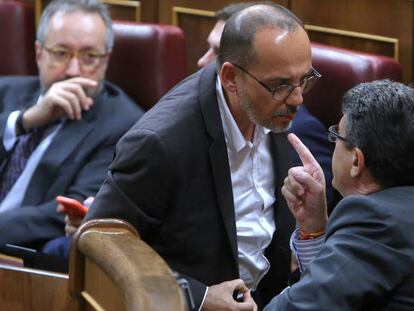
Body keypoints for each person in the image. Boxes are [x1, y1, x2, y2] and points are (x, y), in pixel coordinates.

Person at [86, 3, 320, 310]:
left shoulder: (270, 106)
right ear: (231, 78)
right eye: (281, 85)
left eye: (304, 79)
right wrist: (199, 297)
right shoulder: (162, 142)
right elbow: (98, 241)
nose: (298, 98)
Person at [0, 0, 143, 248]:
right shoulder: (6, 92)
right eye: (61, 53)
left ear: (105, 61)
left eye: (89, 57)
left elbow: (68, 213)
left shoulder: (124, 126)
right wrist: (24, 120)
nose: (74, 70)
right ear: (38, 53)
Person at [264, 80, 414, 310]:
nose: (332, 142)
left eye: (337, 136)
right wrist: (314, 230)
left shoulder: (376, 221)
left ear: (356, 161)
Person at [198, 2, 339, 213]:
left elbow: (317, 210)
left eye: (218, 52)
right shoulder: (198, 125)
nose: (202, 61)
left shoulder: (299, 130)